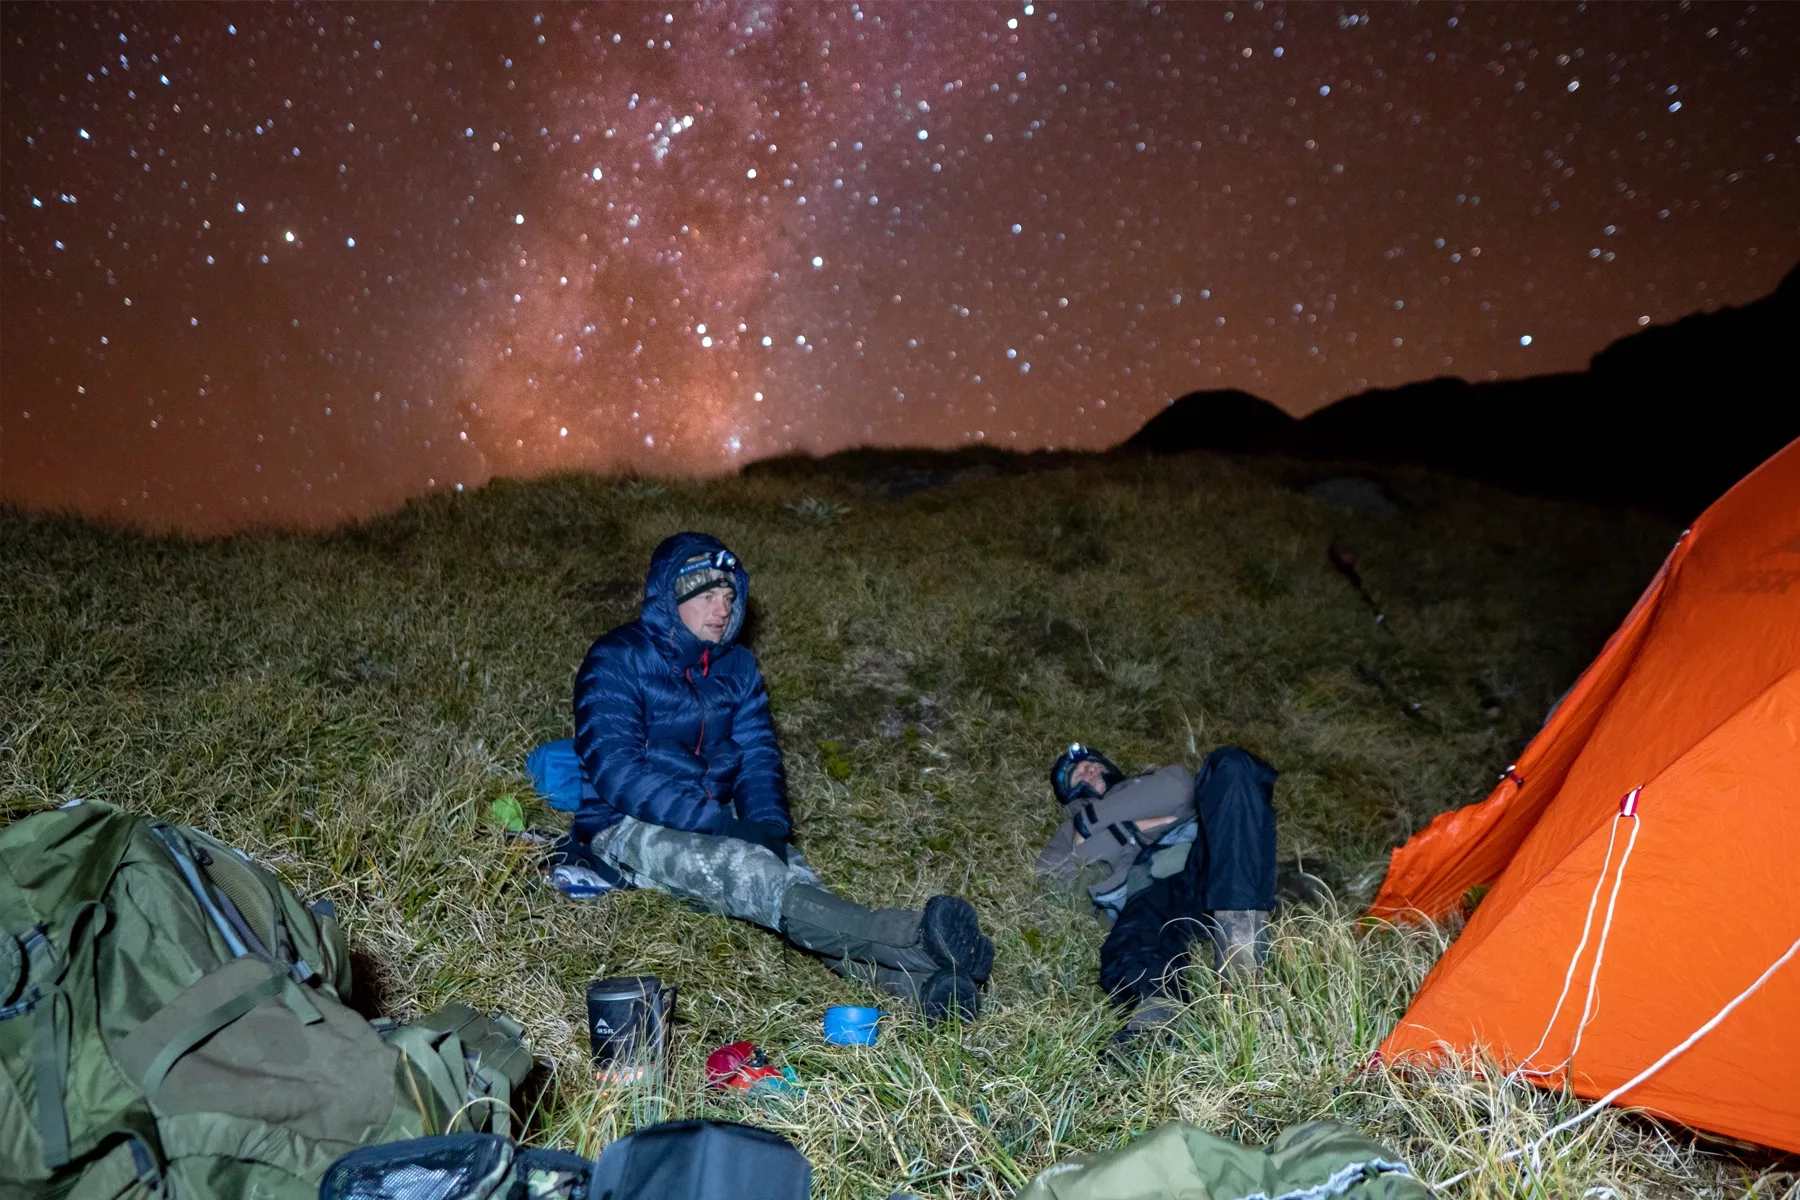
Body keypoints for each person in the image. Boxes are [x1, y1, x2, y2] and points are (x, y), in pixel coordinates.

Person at [557, 531, 993, 1021]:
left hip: (710, 817)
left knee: (798, 888)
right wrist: (721, 826)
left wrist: (767, 828)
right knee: (754, 876)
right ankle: (917, 937)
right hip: (624, 824)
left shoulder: (738, 666)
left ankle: (918, 988)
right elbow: (616, 772)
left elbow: (758, 755)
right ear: (669, 598)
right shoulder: (616, 658)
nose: (720, 610)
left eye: (728, 596)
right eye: (705, 596)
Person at [1036, 742, 1278, 1038]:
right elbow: (1053, 878)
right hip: (1148, 888)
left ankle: (1242, 949)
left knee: (1233, 764)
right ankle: (1155, 1026)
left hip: (1209, 868)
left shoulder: (1146, 784)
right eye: (1077, 774)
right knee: (1136, 940)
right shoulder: (1069, 827)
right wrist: (1129, 827)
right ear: (1070, 795)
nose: (1089, 769)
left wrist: (1092, 829)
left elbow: (1179, 787)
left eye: (1094, 764)